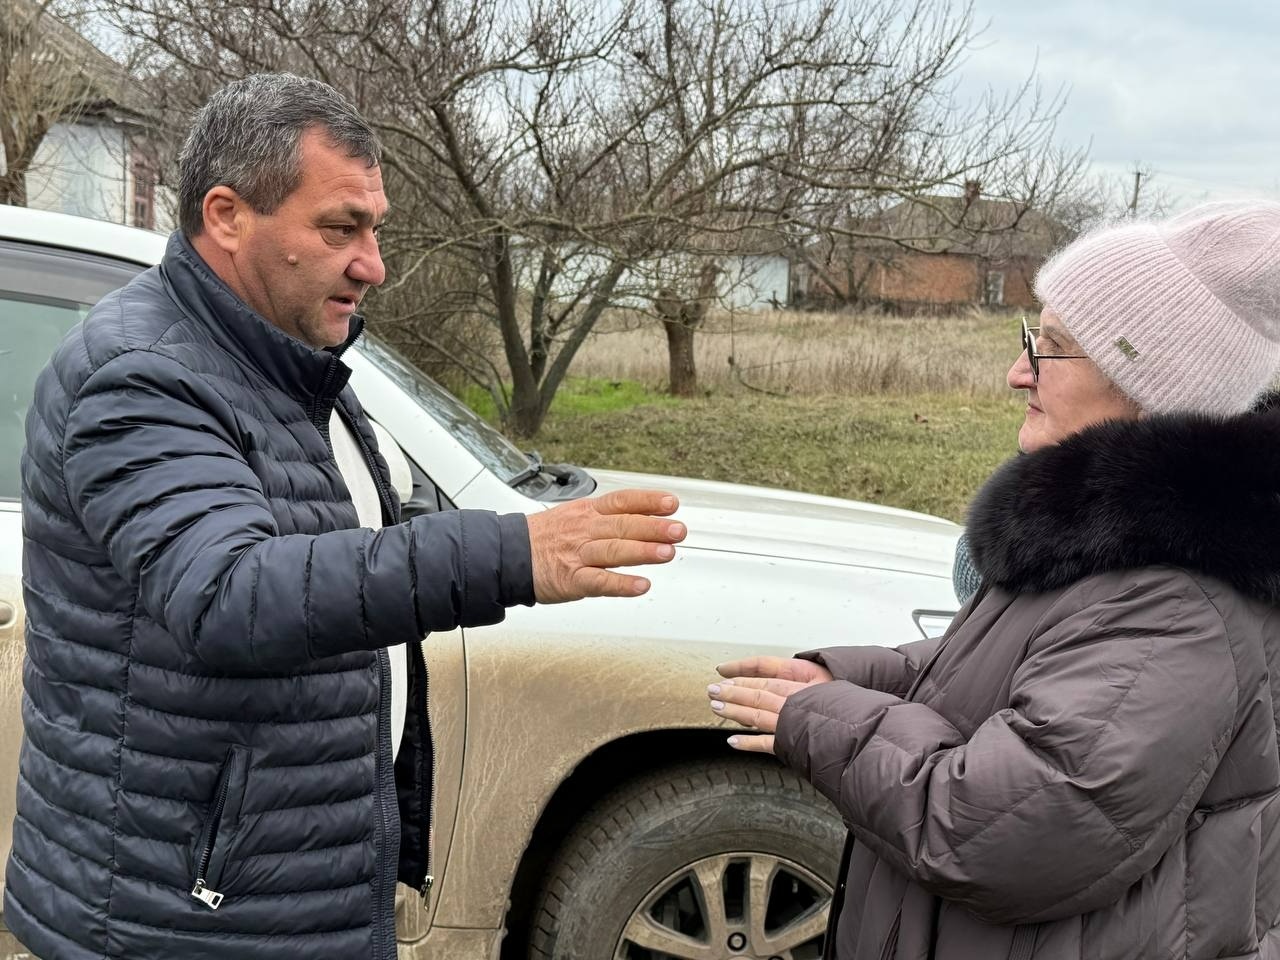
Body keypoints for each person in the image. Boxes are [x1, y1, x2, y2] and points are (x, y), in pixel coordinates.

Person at [5, 73, 686, 960]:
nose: (373, 263)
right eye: (340, 228)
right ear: (226, 216)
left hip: (273, 895)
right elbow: (230, 595)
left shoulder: (286, 363)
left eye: (375, 228)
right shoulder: (141, 375)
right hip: (180, 919)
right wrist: (511, 553)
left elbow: (349, 559)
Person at [709, 199, 1280, 959]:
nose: (1018, 372)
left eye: (1052, 348)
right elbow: (1010, 669)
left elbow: (1003, 828)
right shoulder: (1106, 545)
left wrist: (824, 718)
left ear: (1151, 387)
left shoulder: (1178, 598)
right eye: (1027, 340)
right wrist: (849, 674)